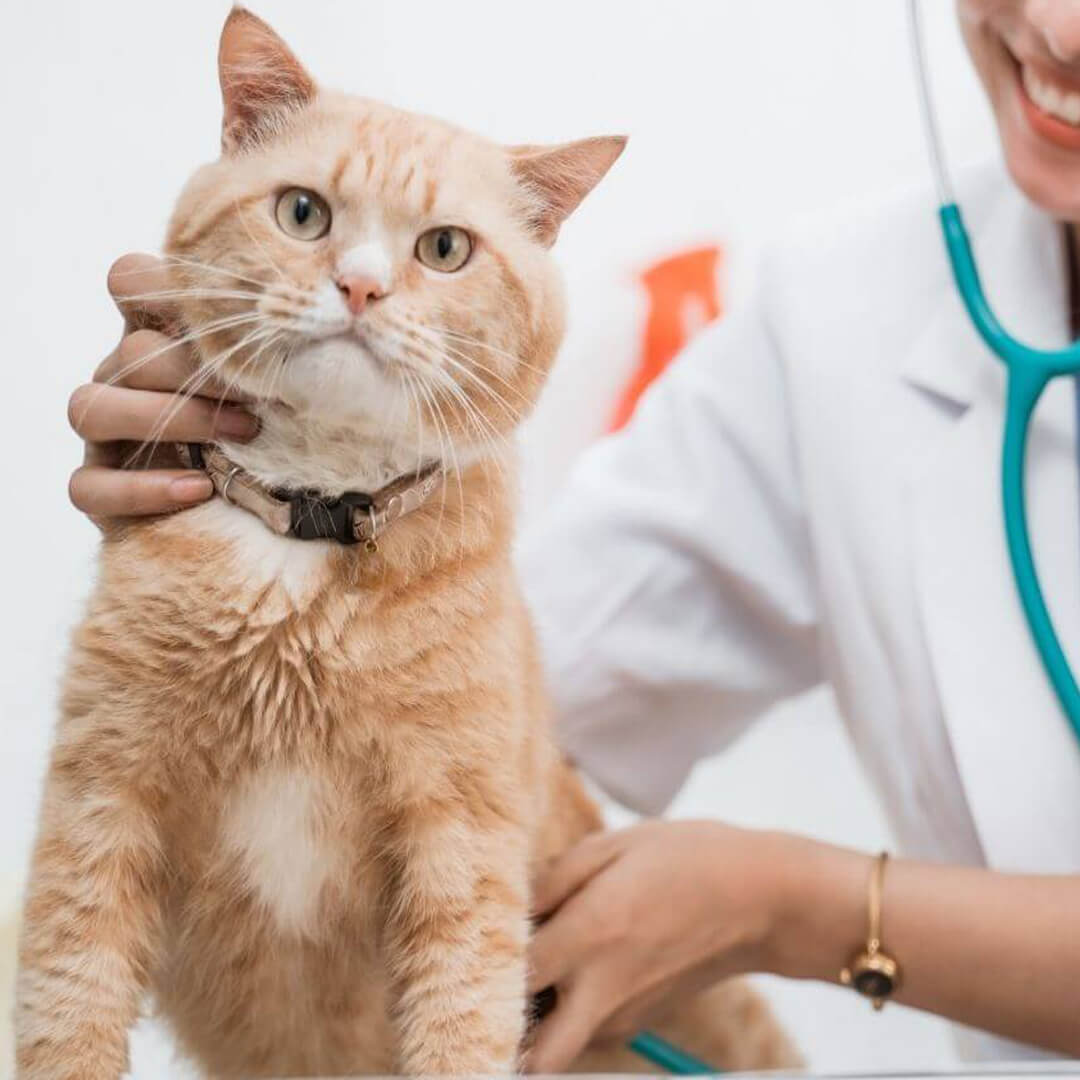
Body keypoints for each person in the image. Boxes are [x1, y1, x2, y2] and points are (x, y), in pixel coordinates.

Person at [66, 0, 1080, 1069]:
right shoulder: (836, 311)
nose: (1059, 32)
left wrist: (804, 905)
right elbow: (481, 708)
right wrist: (252, 499)